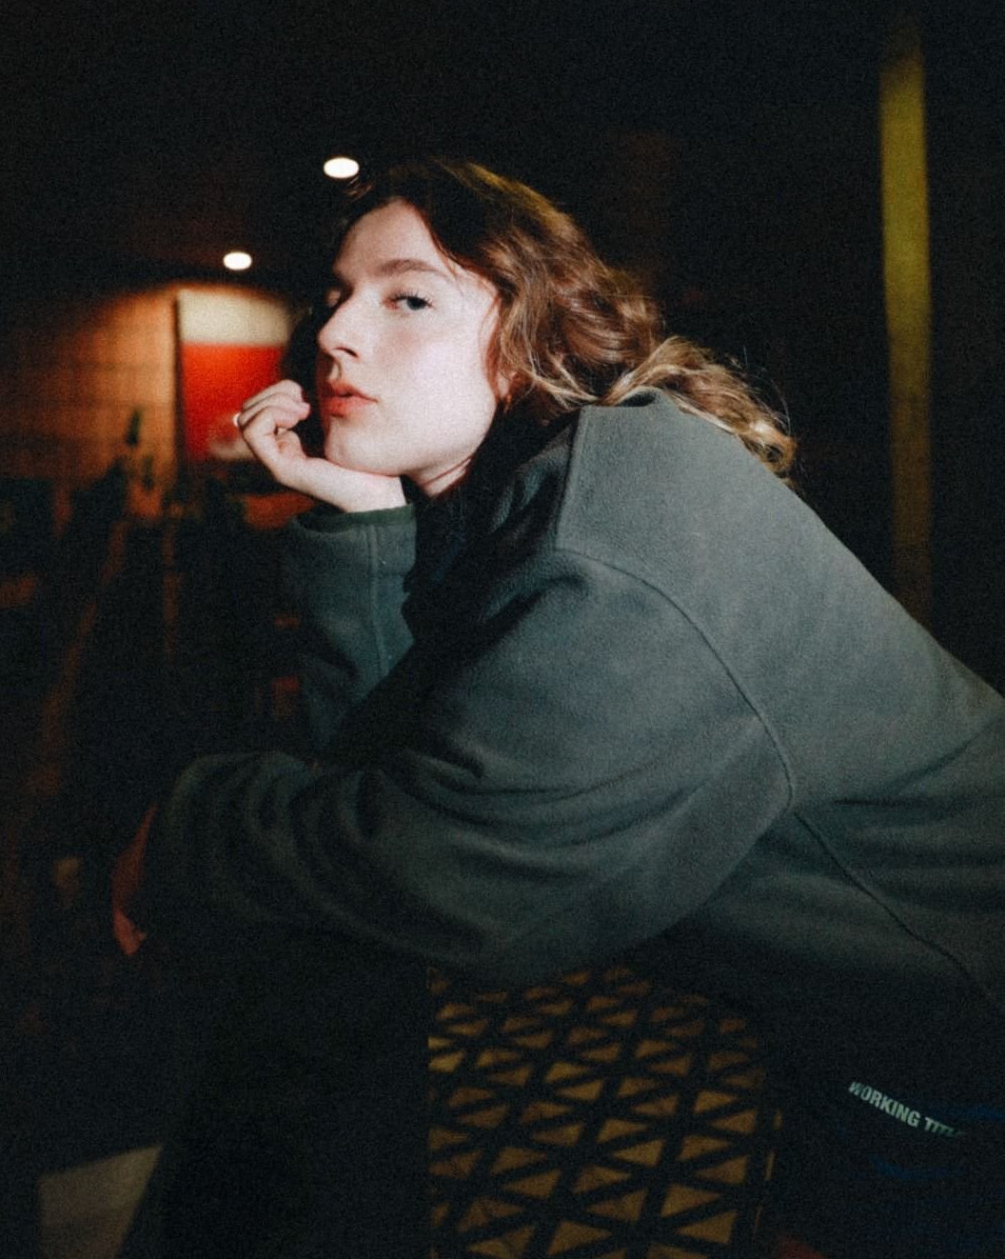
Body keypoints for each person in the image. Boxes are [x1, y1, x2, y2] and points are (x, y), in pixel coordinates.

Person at [114, 158, 1005, 1258]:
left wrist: (186, 828)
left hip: (959, 1012)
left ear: (530, 328)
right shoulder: (501, 508)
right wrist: (357, 520)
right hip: (854, 1011)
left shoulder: (625, 512)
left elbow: (461, 881)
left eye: (407, 297)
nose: (335, 333)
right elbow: (381, 771)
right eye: (335, 295)